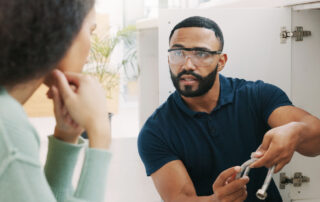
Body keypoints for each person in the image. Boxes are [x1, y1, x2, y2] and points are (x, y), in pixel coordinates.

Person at [138, 16, 320, 202]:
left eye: (201, 53)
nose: (187, 65)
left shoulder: (257, 96)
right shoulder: (156, 131)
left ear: (221, 62)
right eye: (178, 53)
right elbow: (180, 198)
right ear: (169, 60)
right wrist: (217, 200)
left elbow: (316, 139)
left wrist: (296, 131)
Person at [0, 0, 112, 201]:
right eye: (90, 31)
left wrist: (66, 136)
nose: (89, 53)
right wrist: (100, 132)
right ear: (62, 32)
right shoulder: (6, 125)